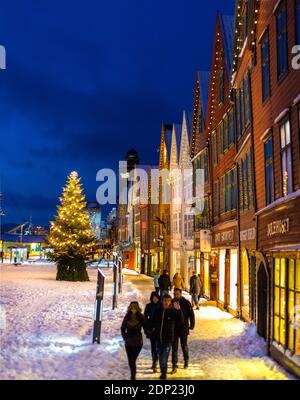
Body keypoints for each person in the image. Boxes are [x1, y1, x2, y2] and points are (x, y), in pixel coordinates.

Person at [152, 294, 183, 380]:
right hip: (158, 339)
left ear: (170, 302)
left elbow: (180, 322)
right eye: (165, 300)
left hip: (168, 340)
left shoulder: (173, 311)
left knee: (163, 358)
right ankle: (163, 373)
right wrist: (151, 331)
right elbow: (152, 321)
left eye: (168, 301)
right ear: (162, 301)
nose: (166, 302)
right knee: (161, 357)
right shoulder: (158, 311)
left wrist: (179, 310)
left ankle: (164, 375)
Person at [171, 288, 195, 373]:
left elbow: (191, 314)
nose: (176, 295)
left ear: (181, 294)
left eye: (177, 294)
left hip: (183, 328)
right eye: (175, 294)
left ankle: (186, 361)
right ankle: (174, 364)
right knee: (174, 347)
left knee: (184, 345)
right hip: (174, 328)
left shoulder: (186, 303)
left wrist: (192, 325)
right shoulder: (171, 302)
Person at [121, 301, 145, 380]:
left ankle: (133, 376)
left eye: (135, 308)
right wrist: (125, 337)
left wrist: (151, 332)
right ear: (130, 308)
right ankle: (133, 375)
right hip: (128, 343)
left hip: (138, 342)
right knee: (130, 360)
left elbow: (146, 326)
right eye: (132, 308)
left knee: (132, 360)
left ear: (137, 309)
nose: (133, 309)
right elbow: (122, 328)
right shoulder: (127, 317)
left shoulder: (141, 317)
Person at [144, 291, 160, 372]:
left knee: (159, 347)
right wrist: (146, 329)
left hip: (159, 330)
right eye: (154, 298)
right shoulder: (148, 306)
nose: (155, 299)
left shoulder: (161, 306)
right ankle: (154, 363)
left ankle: (158, 362)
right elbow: (145, 318)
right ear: (151, 298)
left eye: (156, 298)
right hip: (151, 330)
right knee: (153, 347)